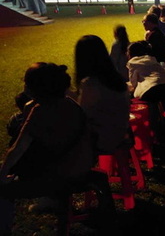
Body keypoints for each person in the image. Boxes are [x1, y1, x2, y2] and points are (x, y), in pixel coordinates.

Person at [0, 63, 94, 232]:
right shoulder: (70, 104)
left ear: (35, 88)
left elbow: (17, 150)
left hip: (62, 174)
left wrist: (2, 174)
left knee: (3, 189)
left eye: (26, 82)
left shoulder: (41, 111)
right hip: (82, 166)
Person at [75, 35, 131, 155]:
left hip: (104, 138)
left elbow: (82, 115)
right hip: (121, 130)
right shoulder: (116, 79)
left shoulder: (92, 84)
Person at [127, 41, 165, 132]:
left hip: (151, 89)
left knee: (151, 103)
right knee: (163, 98)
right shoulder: (152, 59)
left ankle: (155, 128)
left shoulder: (132, 62)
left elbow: (133, 82)